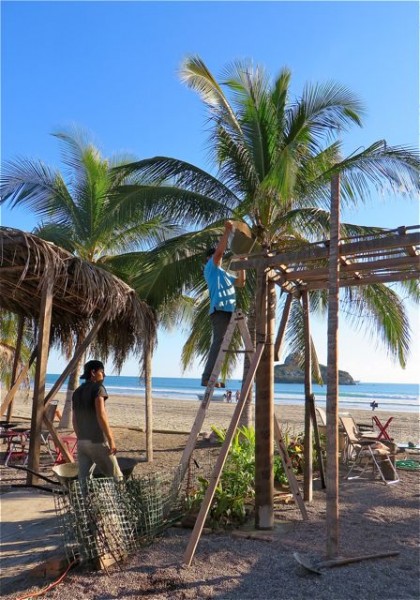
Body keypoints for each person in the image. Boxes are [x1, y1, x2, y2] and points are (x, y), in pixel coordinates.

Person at [201, 220, 246, 387]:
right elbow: (219, 253)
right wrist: (227, 231)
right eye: (212, 256)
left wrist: (242, 261)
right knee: (218, 343)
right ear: (209, 259)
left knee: (222, 346)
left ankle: (212, 377)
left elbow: (241, 282)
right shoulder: (210, 269)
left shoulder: (225, 274)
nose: (216, 258)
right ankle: (207, 377)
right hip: (219, 311)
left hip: (229, 313)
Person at [72, 359, 123, 484]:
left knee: (83, 481)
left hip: (82, 443)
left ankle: (83, 503)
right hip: (98, 441)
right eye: (102, 371)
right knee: (117, 477)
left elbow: (74, 419)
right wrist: (111, 440)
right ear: (93, 372)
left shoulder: (77, 392)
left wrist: (81, 438)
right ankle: (122, 502)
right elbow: (101, 414)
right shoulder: (99, 388)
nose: (104, 375)